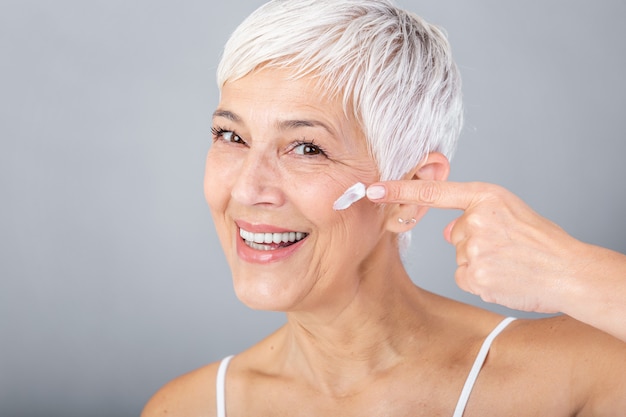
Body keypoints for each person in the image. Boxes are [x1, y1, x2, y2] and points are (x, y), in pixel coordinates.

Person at [142, 0, 626, 415]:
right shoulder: (189, 406)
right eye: (232, 136)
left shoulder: (573, 378)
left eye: (307, 148)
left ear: (410, 191)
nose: (248, 189)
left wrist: (576, 273)